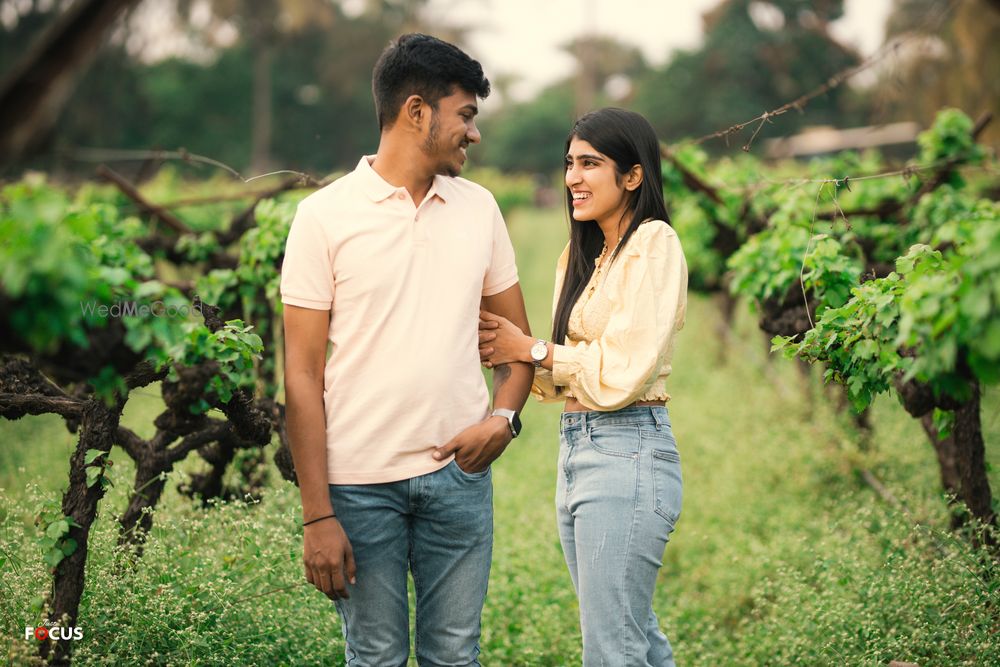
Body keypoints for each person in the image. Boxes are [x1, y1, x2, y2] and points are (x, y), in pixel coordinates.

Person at [280, 33, 533, 666]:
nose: (473, 134)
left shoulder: (481, 210)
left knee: (455, 658)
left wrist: (502, 421)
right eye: (465, 115)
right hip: (360, 489)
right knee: (377, 660)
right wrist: (318, 516)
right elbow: (302, 377)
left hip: (460, 480)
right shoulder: (323, 218)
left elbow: (517, 346)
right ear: (417, 112)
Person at [478, 107, 688, 667]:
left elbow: (620, 370)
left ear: (633, 176)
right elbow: (556, 372)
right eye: (569, 163)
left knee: (611, 647)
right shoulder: (580, 255)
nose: (573, 176)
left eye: (591, 163)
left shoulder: (653, 244)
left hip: (628, 449)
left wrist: (533, 349)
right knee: (632, 634)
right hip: (578, 448)